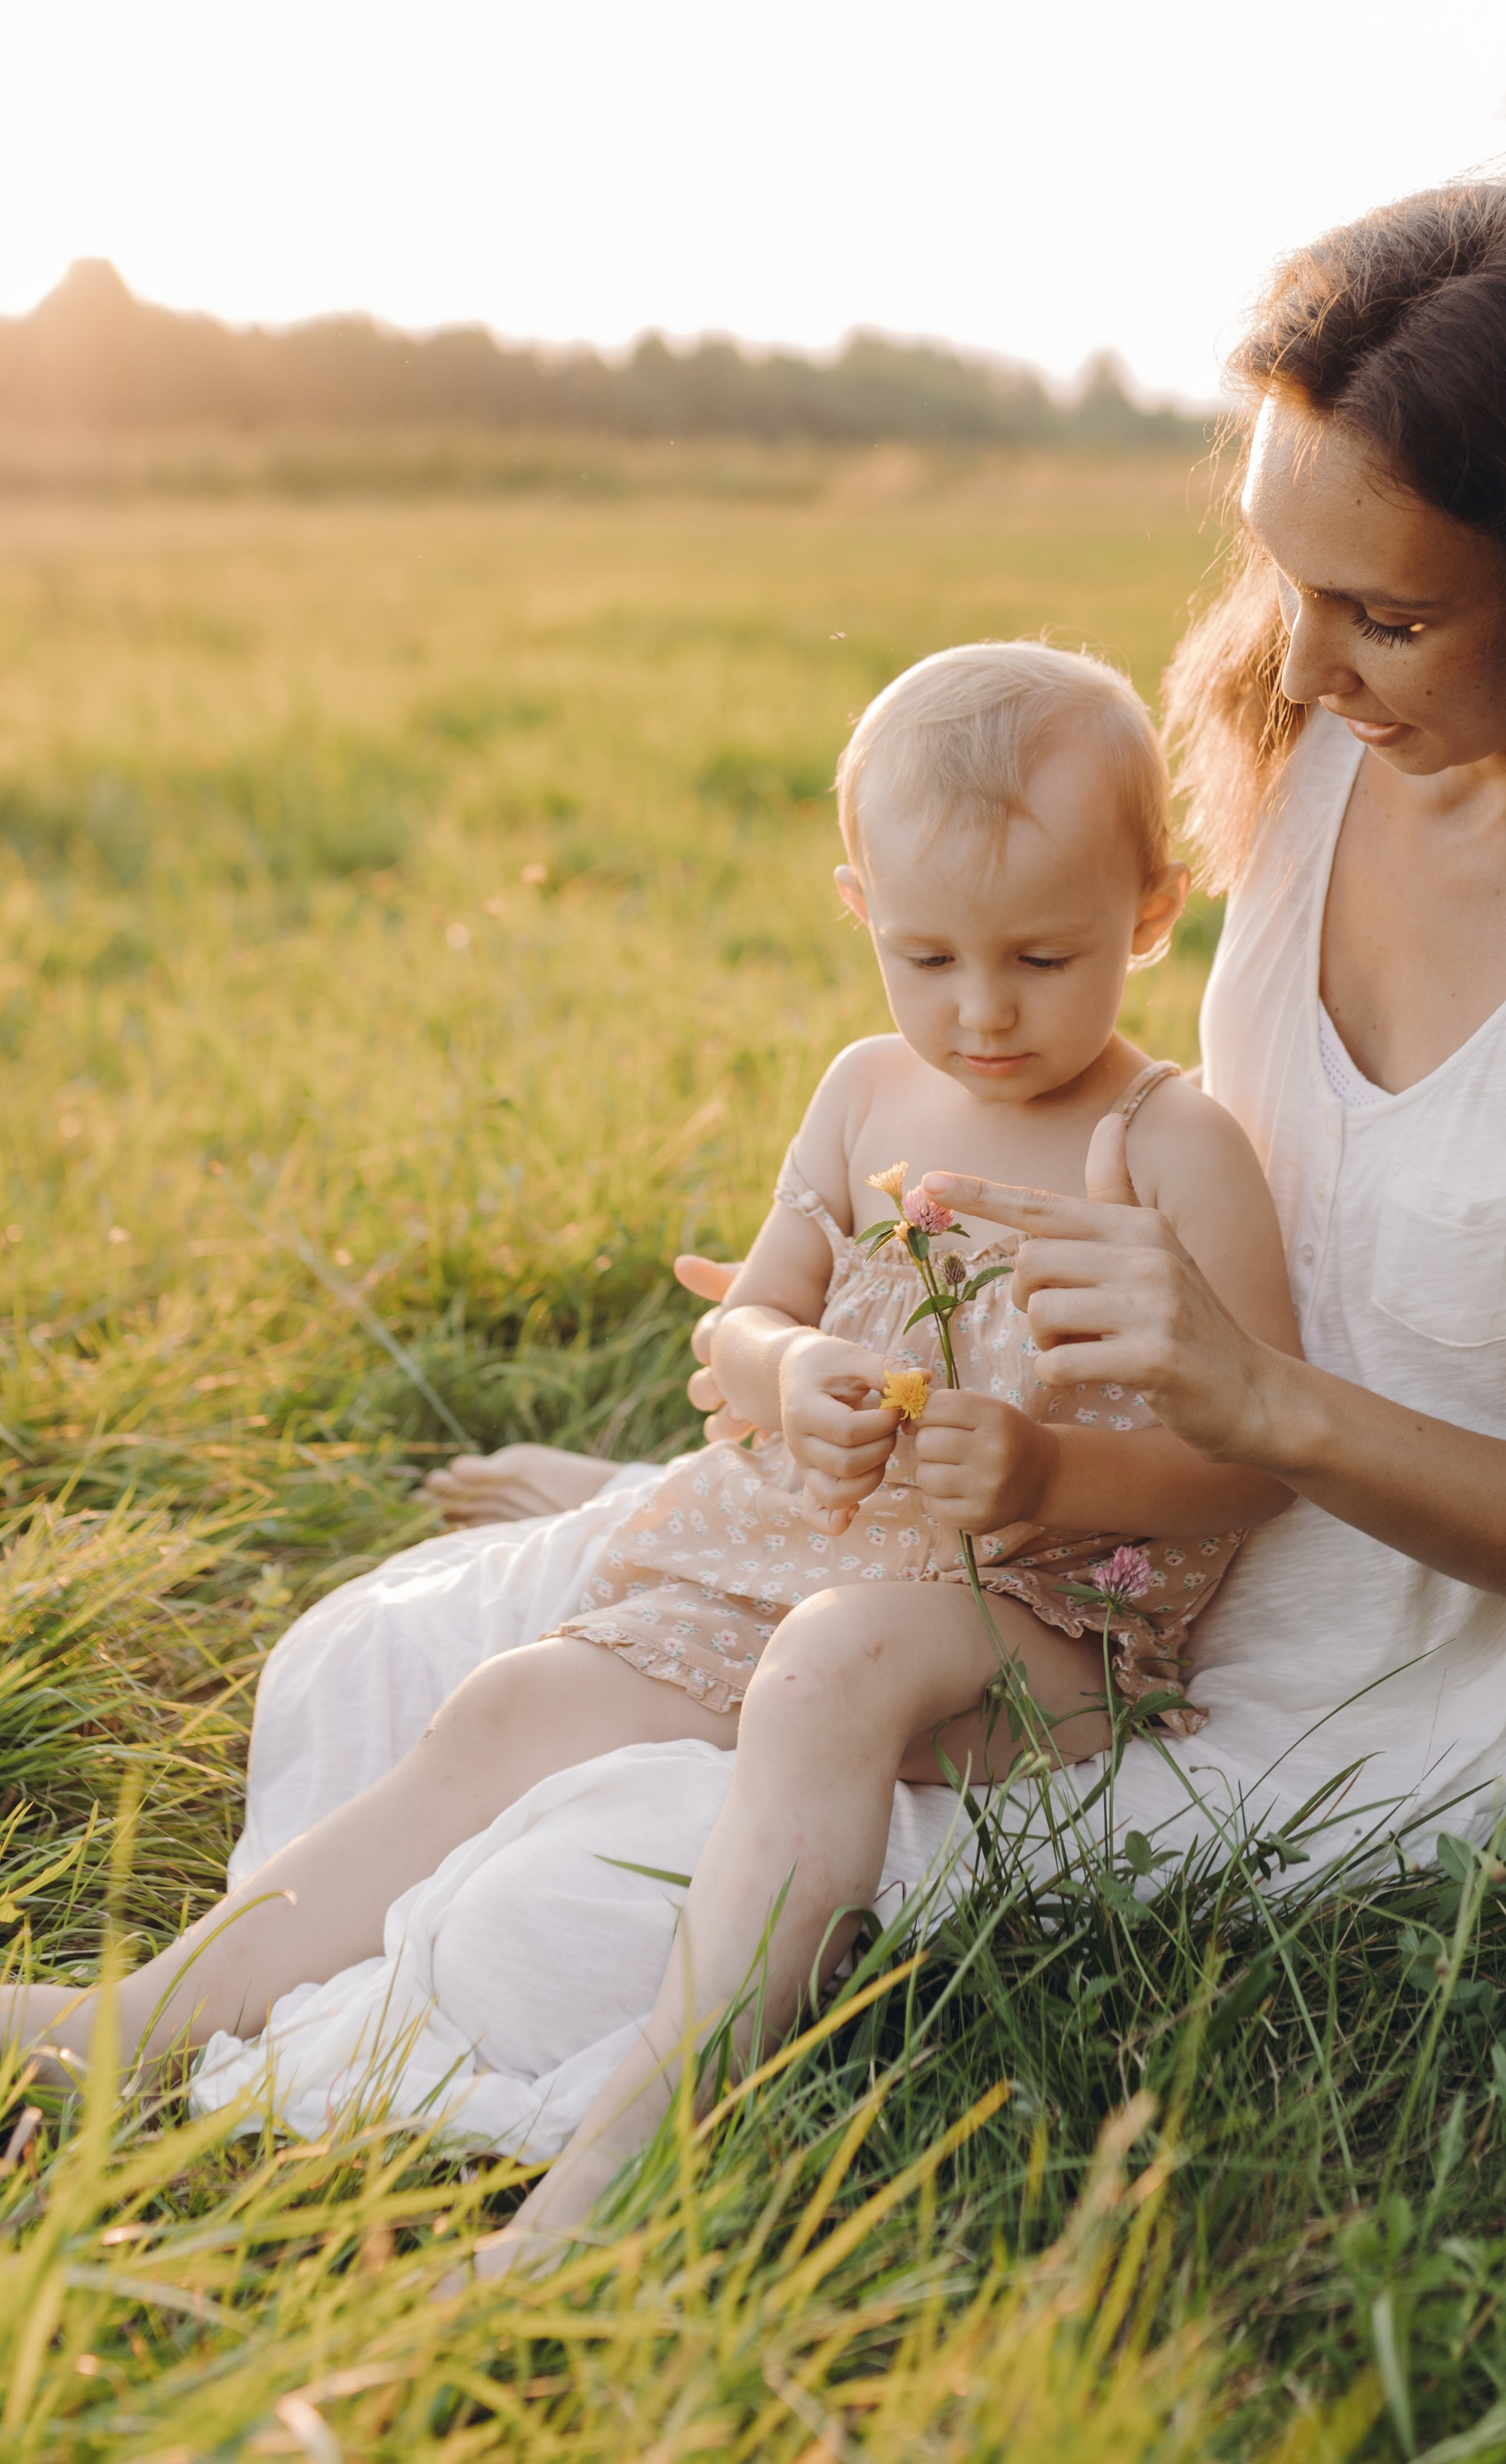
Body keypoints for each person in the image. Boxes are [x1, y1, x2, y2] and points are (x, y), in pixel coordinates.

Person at [59, 173, 1506, 2280]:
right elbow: (1061, 1091)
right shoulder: (1325, 744)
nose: (1299, 663)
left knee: (564, 1895)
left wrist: (1270, 1408)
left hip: (1320, 1658)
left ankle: (621, 2182)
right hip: (1062, 1506)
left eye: (1385, 615)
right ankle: (135, 2031)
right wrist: (869, 1402)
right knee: (418, 1665)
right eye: (1281, 573)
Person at [6, 644, 1299, 2265]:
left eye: (1043, 957)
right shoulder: (862, 1096)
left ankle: (651, 2132)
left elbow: (1257, 1456)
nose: (982, 1011)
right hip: (812, 1552)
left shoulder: (1174, 1147)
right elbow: (743, 1330)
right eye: (927, 955)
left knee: (836, 1664)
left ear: (1151, 909)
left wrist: (1050, 1476)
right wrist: (804, 1364)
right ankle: (144, 2016)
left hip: (1041, 1617)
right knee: (513, 1701)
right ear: (856, 910)